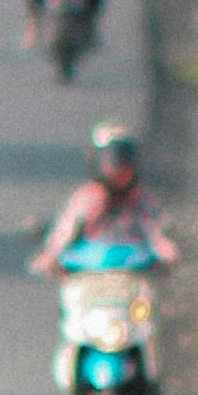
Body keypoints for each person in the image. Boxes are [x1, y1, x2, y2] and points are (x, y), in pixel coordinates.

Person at [30, 118, 175, 277]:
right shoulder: (86, 199)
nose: (117, 167)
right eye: (112, 159)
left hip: (130, 276)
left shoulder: (142, 200)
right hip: (89, 277)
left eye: (124, 157)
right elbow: (65, 230)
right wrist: (50, 255)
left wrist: (166, 252)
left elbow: (156, 233)